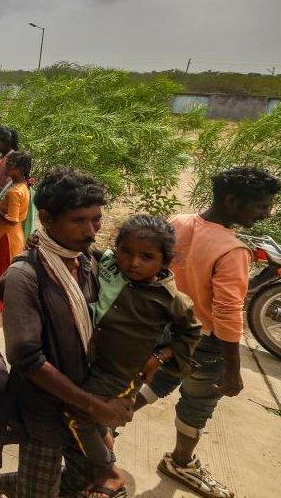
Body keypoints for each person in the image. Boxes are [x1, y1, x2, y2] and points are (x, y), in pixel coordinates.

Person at [0, 168, 134, 498]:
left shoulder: (86, 260)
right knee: (41, 490)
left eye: (96, 220)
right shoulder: (26, 276)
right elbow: (28, 359)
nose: (91, 231)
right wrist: (94, 407)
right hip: (43, 411)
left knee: (81, 479)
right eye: (79, 221)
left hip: (84, 406)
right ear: (46, 218)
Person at [135, 167, 280, 498]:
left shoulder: (177, 222)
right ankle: (181, 462)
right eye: (261, 206)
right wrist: (232, 369)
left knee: (154, 383)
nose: (266, 213)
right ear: (231, 201)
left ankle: (100, 426)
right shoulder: (232, 251)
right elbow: (228, 313)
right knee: (197, 405)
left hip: (169, 331)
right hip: (207, 344)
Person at [61, 215, 202, 498]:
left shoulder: (170, 298)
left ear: (164, 261)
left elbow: (191, 332)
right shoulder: (111, 264)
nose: (133, 263)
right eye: (127, 252)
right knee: (94, 419)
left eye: (146, 257)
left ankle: (109, 470)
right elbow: (81, 251)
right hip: (89, 361)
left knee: (77, 414)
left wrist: (159, 358)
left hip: (121, 373)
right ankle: (102, 445)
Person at [0, 151, 35, 322]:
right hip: (9, 236)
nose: (7, 167)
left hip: (7, 237)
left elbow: (12, 219)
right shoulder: (21, 187)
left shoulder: (15, 191)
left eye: (11, 165)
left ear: (21, 168)